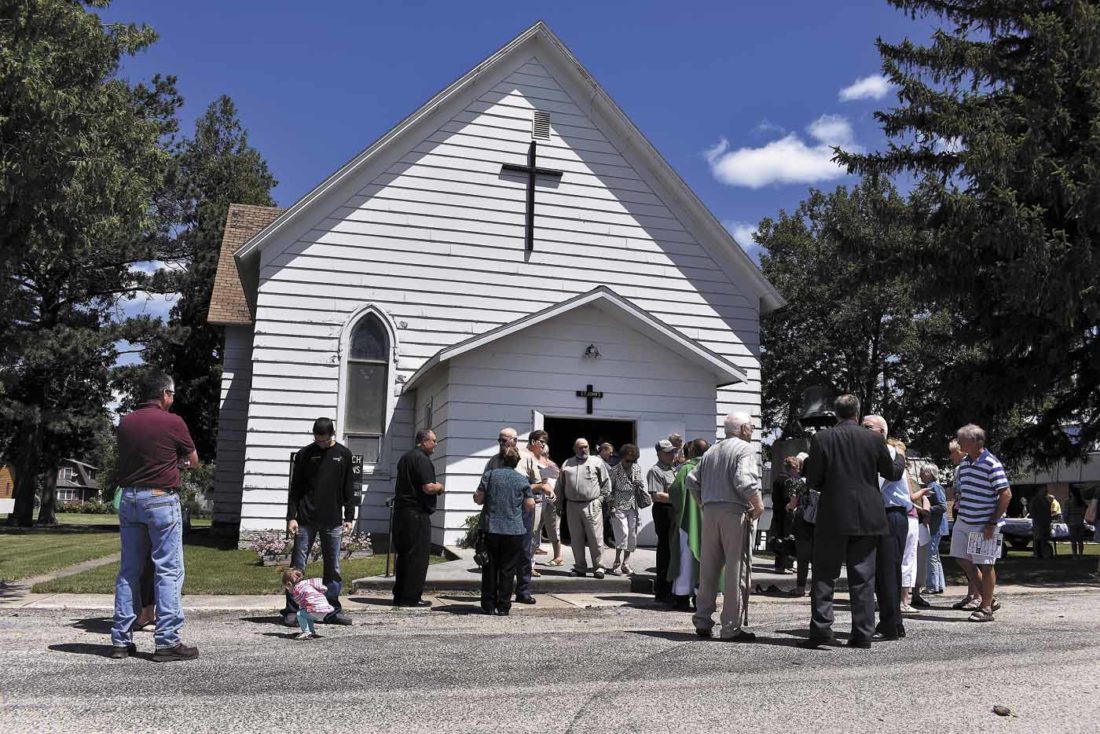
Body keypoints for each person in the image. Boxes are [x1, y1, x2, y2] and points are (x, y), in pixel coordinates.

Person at [801, 395, 905, 649]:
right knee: (863, 577)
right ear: (857, 414)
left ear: (835, 414)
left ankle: (822, 630)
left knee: (824, 574)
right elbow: (891, 472)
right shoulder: (873, 439)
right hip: (867, 514)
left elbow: (814, 480)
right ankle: (862, 633)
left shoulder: (822, 438)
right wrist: (900, 456)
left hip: (833, 513)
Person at [110, 372, 200, 661]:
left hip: (130, 498)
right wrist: (177, 464)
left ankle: (121, 640)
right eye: (171, 394)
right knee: (168, 569)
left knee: (129, 570)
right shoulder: (173, 422)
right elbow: (193, 460)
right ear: (164, 394)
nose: (172, 400)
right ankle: (167, 641)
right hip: (161, 499)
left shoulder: (126, 421)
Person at [685, 413, 764, 642]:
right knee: (736, 570)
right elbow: (745, 480)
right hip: (734, 511)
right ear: (742, 429)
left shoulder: (711, 451)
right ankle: (730, 627)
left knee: (708, 569)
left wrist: (703, 504)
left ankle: (702, 620)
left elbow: (692, 480)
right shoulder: (744, 449)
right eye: (750, 426)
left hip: (710, 512)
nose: (751, 430)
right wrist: (758, 507)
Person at [281, 417, 355, 627]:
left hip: (332, 519)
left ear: (331, 435)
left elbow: (348, 487)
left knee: (333, 567)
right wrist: (291, 517)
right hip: (306, 518)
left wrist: (349, 516)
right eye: (317, 440)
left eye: (323, 440)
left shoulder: (343, 455)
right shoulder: (305, 455)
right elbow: (295, 488)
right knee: (297, 567)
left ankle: (332, 611)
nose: (320, 444)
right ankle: (292, 610)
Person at [949, 423, 1011, 623]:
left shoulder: (992, 464)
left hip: (985, 523)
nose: (959, 443)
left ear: (975, 441)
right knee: (961, 558)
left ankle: (986, 608)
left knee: (986, 564)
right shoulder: (964, 465)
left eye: (962, 440)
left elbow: (1005, 494)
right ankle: (988, 597)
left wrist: (992, 522)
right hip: (965, 519)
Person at [484, 427, 545, 605]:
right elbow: (485, 485)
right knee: (497, 555)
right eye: (500, 440)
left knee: (524, 552)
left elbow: (538, 483)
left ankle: (523, 590)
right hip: (497, 513)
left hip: (521, 512)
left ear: (515, 441)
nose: (501, 444)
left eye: (504, 440)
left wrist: (519, 488)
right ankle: (498, 593)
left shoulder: (526, 459)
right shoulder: (493, 461)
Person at [474, 448, 536, 615]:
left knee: (490, 567)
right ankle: (503, 606)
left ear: (501, 460)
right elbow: (530, 504)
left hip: (491, 528)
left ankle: (488, 605)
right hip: (514, 529)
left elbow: (478, 499)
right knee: (508, 569)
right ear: (517, 462)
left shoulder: (490, 475)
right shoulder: (522, 479)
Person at [392, 430, 445, 607]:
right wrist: (440, 487)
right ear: (423, 441)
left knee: (404, 555)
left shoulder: (405, 458)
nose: (436, 444)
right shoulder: (422, 460)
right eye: (433, 441)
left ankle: (399, 594)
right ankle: (411, 597)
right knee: (417, 556)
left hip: (401, 513)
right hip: (416, 513)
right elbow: (428, 487)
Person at [558, 438, 610, 578]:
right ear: (575, 449)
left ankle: (599, 567)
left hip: (591, 504)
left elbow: (606, 483)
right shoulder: (567, 463)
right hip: (572, 505)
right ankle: (580, 567)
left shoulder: (597, 462)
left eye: (586, 447)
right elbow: (560, 485)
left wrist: (600, 500)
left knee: (595, 537)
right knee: (576, 538)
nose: (584, 450)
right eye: (580, 447)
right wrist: (559, 504)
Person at [668, 438, 709, 609]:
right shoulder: (713, 469)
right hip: (709, 520)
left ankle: (682, 596)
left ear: (691, 452)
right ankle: (702, 596)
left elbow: (675, 492)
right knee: (706, 559)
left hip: (688, 520)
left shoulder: (686, 468)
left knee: (685, 558)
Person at [606, 443, 644, 575]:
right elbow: (609, 490)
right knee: (623, 534)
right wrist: (610, 505)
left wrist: (639, 484)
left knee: (632, 535)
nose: (630, 463)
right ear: (622, 457)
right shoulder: (614, 470)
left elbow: (640, 485)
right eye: (628, 460)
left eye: (633, 460)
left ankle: (626, 563)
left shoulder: (636, 468)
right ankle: (616, 562)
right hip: (618, 505)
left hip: (632, 505)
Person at [648, 439, 679, 601]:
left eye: (673, 451)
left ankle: (673, 587)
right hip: (664, 511)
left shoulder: (674, 469)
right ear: (659, 453)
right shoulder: (656, 470)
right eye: (668, 452)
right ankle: (662, 590)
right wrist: (680, 498)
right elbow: (657, 495)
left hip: (674, 510)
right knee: (665, 550)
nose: (672, 455)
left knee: (674, 550)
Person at [528, 430, 564, 567]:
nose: (542, 454)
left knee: (553, 529)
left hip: (550, 502)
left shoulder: (551, 466)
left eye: (544, 452)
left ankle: (558, 556)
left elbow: (554, 484)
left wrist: (555, 500)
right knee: (535, 531)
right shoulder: (534, 461)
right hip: (538, 502)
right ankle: (531, 559)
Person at [784, 452, 816, 597]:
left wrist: (789, 508)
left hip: (802, 520)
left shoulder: (797, 482)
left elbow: (793, 503)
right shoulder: (820, 482)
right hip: (819, 520)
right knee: (818, 557)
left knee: (802, 557)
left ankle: (800, 587)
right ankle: (816, 588)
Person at [282, 568, 335, 640]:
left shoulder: (297, 590)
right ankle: (311, 631)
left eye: (287, 588)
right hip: (323, 608)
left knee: (300, 614)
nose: (288, 590)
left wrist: (302, 606)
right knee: (306, 614)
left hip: (316, 609)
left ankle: (306, 632)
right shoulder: (306, 584)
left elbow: (299, 602)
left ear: (289, 584)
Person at [920, 466, 949, 595]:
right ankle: (939, 585)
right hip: (934, 526)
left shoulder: (934, 487)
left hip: (936, 526)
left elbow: (943, 507)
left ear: (929, 474)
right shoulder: (930, 487)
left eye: (922, 472)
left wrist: (927, 509)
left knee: (931, 556)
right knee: (935, 556)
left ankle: (932, 585)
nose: (920, 475)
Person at [770, 456, 800, 573]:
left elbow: (774, 497)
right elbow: (791, 498)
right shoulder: (790, 481)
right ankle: (785, 565)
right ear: (793, 468)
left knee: (778, 538)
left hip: (777, 512)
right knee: (787, 538)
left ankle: (780, 565)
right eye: (797, 468)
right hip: (787, 513)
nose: (798, 471)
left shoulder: (778, 479)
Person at [1030, 486, 1053, 559]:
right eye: (1044, 490)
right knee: (1037, 538)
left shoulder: (1046, 500)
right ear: (1039, 491)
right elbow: (1032, 511)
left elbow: (1049, 511)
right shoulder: (1035, 500)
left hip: (1045, 522)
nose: (1045, 492)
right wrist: (1036, 518)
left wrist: (1049, 520)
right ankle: (1036, 554)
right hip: (1038, 522)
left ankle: (1044, 553)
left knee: (1044, 539)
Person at [1065, 486, 1087, 558]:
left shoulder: (1068, 502)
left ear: (1071, 493)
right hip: (1080, 522)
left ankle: (1074, 555)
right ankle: (1081, 554)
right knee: (1080, 541)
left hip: (1072, 522)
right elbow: (1084, 513)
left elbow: (1066, 513)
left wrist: (1066, 521)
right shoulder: (1081, 502)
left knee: (1073, 541)